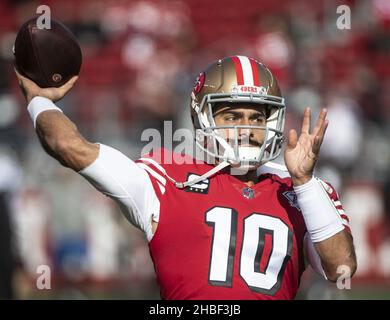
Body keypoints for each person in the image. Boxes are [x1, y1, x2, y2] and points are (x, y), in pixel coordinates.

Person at [15, 55, 356, 300]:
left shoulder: (305, 189)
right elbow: (67, 145)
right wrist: (38, 101)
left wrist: (305, 182)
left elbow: (340, 269)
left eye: (257, 117)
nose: (246, 128)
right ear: (204, 120)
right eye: (232, 115)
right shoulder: (165, 179)